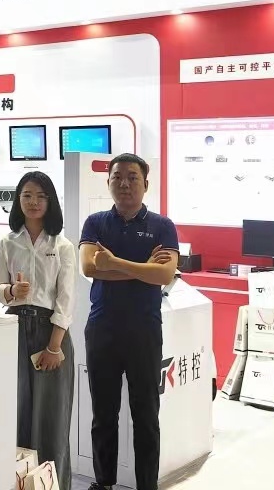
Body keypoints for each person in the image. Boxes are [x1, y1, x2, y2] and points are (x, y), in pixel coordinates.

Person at [79, 154, 179, 490]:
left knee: (146, 416)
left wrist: (115, 264)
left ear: (145, 184)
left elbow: (164, 275)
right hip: (102, 329)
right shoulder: (95, 223)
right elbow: (89, 268)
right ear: (108, 182)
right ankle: (103, 483)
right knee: (103, 415)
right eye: (117, 177)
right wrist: (142, 268)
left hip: (144, 331)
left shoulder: (162, 226)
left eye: (132, 177)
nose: (124, 184)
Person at [0, 171, 76, 484]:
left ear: (51, 201)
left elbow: (66, 300)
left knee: (51, 418)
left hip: (50, 333)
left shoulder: (62, 245)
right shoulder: (7, 242)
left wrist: (54, 346)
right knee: (15, 412)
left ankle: (53, 485)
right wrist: (11, 291)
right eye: (27, 195)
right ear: (18, 200)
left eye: (41, 196)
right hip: (13, 329)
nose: (33, 202)